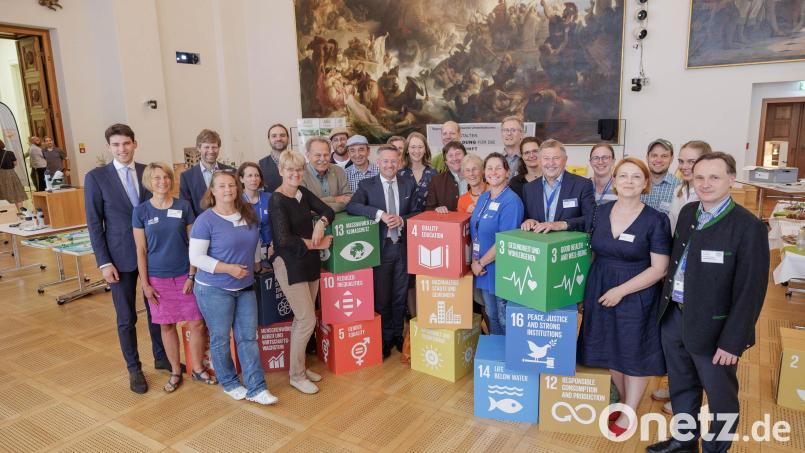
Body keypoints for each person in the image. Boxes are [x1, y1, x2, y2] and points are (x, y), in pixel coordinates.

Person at [647, 153, 769, 453]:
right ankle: (684, 441)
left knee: (720, 397)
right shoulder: (689, 212)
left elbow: (751, 291)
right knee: (682, 385)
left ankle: (716, 449)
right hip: (675, 317)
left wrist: (733, 341)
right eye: (699, 177)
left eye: (714, 177)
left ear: (731, 179)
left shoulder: (748, 227)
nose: (705, 183)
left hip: (717, 331)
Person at [576, 157, 671, 437]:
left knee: (633, 352)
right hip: (600, 286)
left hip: (636, 292)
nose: (629, 181)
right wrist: (585, 291)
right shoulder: (601, 212)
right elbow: (592, 252)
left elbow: (660, 268)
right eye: (623, 176)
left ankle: (629, 410)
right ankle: (626, 398)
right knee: (609, 348)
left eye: (636, 177)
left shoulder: (656, 220)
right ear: (614, 181)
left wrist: (621, 291)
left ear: (645, 184)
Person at [84, 124, 168, 394]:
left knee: (157, 311)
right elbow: (95, 223)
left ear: (135, 143)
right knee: (126, 317)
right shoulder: (96, 178)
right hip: (119, 259)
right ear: (109, 147)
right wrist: (104, 262)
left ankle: (162, 357)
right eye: (116, 145)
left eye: (126, 144)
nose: (122, 149)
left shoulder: (148, 172)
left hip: (153, 255)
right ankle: (134, 369)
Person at [189, 170, 276, 405]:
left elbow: (255, 242)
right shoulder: (205, 220)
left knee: (247, 337)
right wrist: (228, 269)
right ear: (213, 191)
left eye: (231, 185)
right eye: (222, 186)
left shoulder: (246, 213)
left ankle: (257, 388)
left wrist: (257, 263)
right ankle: (229, 383)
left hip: (245, 286)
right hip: (213, 289)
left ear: (237, 189)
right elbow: (196, 258)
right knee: (220, 338)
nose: (228, 190)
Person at [133, 163, 214, 393]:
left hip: (184, 276)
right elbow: (140, 250)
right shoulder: (140, 212)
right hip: (157, 279)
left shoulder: (183, 206)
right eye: (157, 178)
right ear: (149, 181)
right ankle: (175, 371)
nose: (163, 181)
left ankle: (197, 368)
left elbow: (193, 245)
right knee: (166, 326)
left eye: (166, 177)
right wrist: (145, 284)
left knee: (197, 322)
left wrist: (192, 275)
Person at [651, 140, 712, 414]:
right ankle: (677, 388)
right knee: (673, 340)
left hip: (698, 279)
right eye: (683, 162)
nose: (686, 167)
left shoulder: (705, 196)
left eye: (692, 162)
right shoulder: (680, 190)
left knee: (694, 345)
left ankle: (689, 401)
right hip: (676, 270)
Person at [269, 150, 335, 394]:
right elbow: (284, 239)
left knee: (303, 319)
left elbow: (328, 211)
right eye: (290, 170)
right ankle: (296, 376)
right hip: (289, 264)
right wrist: (316, 243)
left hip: (308, 262)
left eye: (298, 170)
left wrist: (320, 223)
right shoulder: (276, 200)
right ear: (281, 172)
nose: (295, 174)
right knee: (307, 319)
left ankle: (299, 367)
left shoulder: (302, 192)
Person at [347, 145, 420, 358]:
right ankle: (384, 338)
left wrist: (402, 220)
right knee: (382, 298)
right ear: (377, 163)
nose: (390, 165)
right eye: (385, 161)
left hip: (403, 248)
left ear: (399, 163)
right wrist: (379, 214)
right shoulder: (366, 185)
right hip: (380, 248)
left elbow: (418, 212)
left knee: (400, 295)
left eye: (393, 161)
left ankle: (398, 334)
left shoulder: (408, 184)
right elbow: (353, 206)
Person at [470, 153, 524, 335]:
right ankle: (498, 359)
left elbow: (505, 241)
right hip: (484, 270)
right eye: (489, 168)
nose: (494, 172)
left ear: (507, 173)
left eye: (498, 168)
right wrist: (475, 261)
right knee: (492, 316)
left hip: (502, 271)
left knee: (504, 319)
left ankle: (513, 359)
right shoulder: (484, 198)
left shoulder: (511, 201)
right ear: (484, 173)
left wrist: (480, 263)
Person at [521, 139, 595, 233]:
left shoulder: (582, 185)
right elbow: (525, 217)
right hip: (539, 245)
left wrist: (563, 224)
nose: (551, 163)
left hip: (568, 245)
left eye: (556, 158)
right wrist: (528, 221)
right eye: (546, 158)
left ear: (565, 160)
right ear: (539, 161)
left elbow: (591, 218)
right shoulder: (528, 189)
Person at [179, 129, 235, 217]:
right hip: (201, 225)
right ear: (199, 148)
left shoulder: (231, 172)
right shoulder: (187, 177)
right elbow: (186, 208)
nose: (211, 151)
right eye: (207, 147)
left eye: (214, 147)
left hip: (228, 222)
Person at [667, 140, 713, 232]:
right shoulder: (678, 191)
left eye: (691, 162)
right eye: (681, 161)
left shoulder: (710, 196)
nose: (684, 167)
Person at [300, 137, 352, 213]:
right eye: (318, 155)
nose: (322, 159)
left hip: (339, 222)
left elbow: (348, 199)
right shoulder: (300, 175)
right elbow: (303, 207)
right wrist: (335, 199)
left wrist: (315, 205)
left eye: (326, 155)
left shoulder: (339, 171)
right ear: (307, 155)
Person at [238, 162, 273, 268]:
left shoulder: (270, 197)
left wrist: (273, 243)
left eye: (257, 175)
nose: (254, 179)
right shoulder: (237, 201)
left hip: (270, 249)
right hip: (246, 251)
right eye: (249, 175)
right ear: (241, 179)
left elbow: (278, 223)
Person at [398, 132, 437, 213]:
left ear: (425, 150)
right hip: (404, 222)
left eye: (420, 147)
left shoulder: (434, 173)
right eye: (413, 147)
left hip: (428, 222)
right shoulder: (399, 174)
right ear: (407, 150)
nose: (417, 150)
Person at [425, 141, 467, 213]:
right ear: (446, 161)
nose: (455, 158)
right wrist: (436, 209)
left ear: (465, 156)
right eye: (450, 155)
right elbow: (429, 209)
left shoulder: (477, 177)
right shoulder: (436, 181)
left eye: (458, 154)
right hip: (449, 223)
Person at [641, 138, 679, 216]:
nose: (658, 160)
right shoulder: (637, 183)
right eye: (654, 155)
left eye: (664, 156)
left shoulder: (679, 187)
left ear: (671, 159)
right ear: (647, 157)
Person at [258, 123, 290, 192]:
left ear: (288, 139)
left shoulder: (298, 162)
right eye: (274, 136)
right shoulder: (260, 165)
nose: (278, 139)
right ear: (269, 140)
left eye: (282, 135)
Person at [0, 140, 28, 210]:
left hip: (0, 176)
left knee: (3, 194)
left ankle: (8, 213)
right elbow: (15, 163)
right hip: (11, 174)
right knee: (16, 192)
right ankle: (21, 211)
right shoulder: (9, 153)